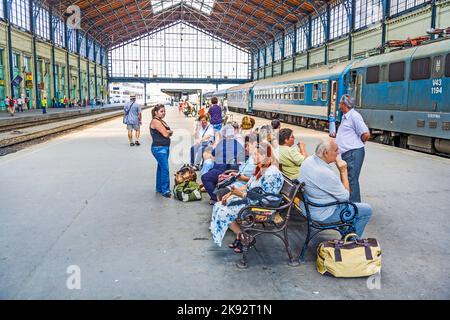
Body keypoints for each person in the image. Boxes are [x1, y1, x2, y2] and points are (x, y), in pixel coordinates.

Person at [210, 142, 284, 251]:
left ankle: (243, 237)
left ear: (266, 156)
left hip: (263, 208)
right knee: (219, 205)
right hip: (253, 202)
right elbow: (248, 186)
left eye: (257, 154)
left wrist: (237, 194)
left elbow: (265, 199)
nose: (253, 157)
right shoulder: (261, 168)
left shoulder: (271, 173)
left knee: (224, 210)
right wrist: (231, 192)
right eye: (253, 154)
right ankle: (243, 236)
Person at [299, 138, 372, 237]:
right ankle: (351, 242)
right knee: (366, 209)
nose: (338, 153)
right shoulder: (325, 173)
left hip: (308, 207)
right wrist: (343, 171)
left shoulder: (308, 160)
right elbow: (346, 197)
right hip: (321, 214)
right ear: (325, 153)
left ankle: (347, 232)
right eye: (336, 150)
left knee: (352, 208)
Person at [334, 94, 370, 203]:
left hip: (354, 153)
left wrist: (358, 143)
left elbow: (366, 134)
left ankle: (355, 208)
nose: (338, 105)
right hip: (348, 153)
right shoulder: (346, 116)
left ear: (344, 105)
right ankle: (350, 205)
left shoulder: (354, 116)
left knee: (351, 180)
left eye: (340, 103)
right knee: (348, 179)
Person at [201, 124, 245, 205]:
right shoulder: (236, 144)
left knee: (205, 177)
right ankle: (216, 195)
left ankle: (216, 197)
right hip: (224, 168)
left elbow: (213, 154)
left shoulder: (223, 143)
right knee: (210, 172)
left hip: (223, 170)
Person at [150, 104, 173, 198]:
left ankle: (159, 188)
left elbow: (168, 132)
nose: (163, 113)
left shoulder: (160, 121)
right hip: (159, 148)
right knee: (165, 169)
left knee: (161, 168)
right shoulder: (155, 121)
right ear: (156, 112)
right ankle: (165, 190)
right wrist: (169, 132)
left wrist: (169, 132)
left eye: (164, 111)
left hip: (163, 148)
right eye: (161, 111)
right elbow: (166, 134)